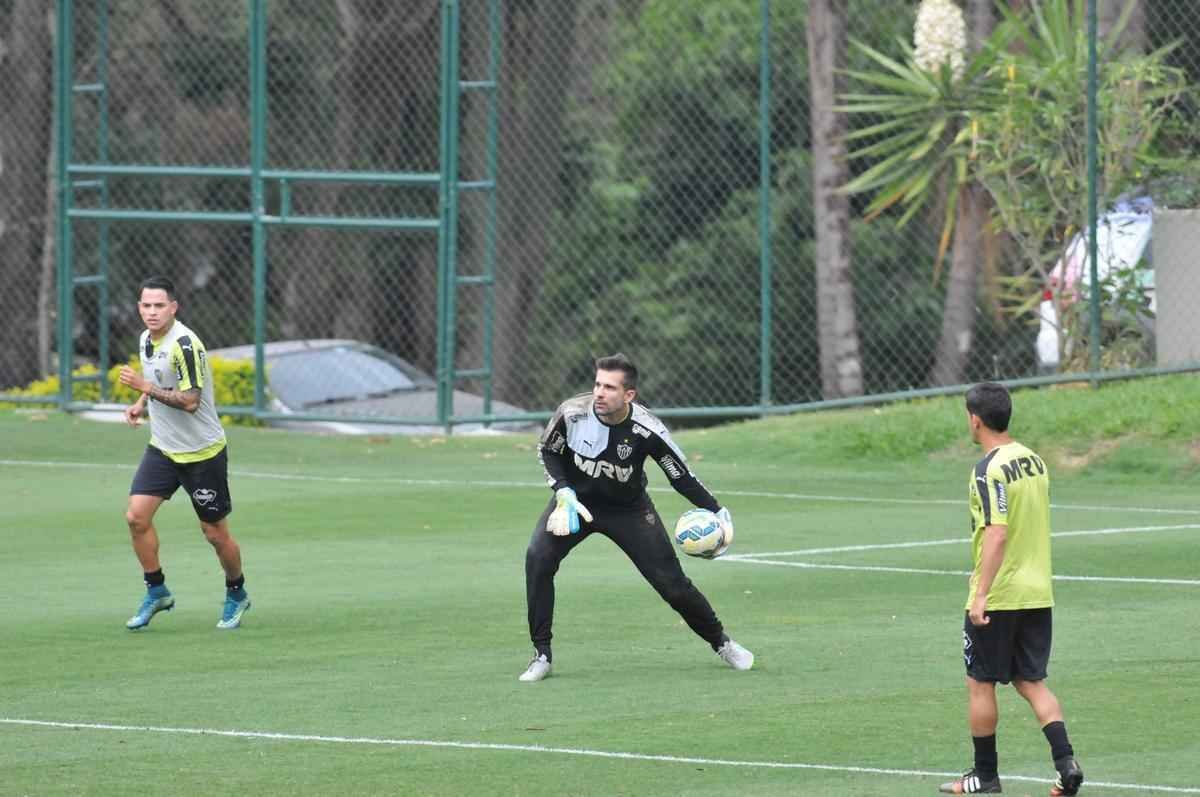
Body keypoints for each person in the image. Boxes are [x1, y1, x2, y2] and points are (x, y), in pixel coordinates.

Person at [519, 353, 752, 682]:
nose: (599, 392)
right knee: (538, 559)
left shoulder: (647, 429)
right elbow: (549, 451)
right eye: (597, 384)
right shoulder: (571, 413)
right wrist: (563, 491)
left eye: (610, 388)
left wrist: (717, 511)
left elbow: (680, 475)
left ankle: (721, 643)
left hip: (628, 510)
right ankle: (541, 654)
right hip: (575, 504)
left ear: (629, 395)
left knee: (672, 585)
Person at [940, 383, 1082, 795]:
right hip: (1038, 591)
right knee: (1031, 681)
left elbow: (997, 533)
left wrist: (981, 593)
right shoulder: (1034, 461)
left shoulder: (989, 468)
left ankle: (984, 775)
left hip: (1001, 593)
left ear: (975, 419)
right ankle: (1066, 763)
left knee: (980, 682)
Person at [117, 276, 250, 631]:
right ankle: (157, 589)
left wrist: (145, 387)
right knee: (135, 517)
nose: (152, 312)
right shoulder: (146, 338)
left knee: (215, 534)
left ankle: (236, 593)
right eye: (146, 305)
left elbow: (190, 402)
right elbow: (159, 380)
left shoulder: (186, 345)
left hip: (202, 453)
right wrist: (140, 402)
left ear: (174, 307)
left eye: (159, 305)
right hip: (163, 448)